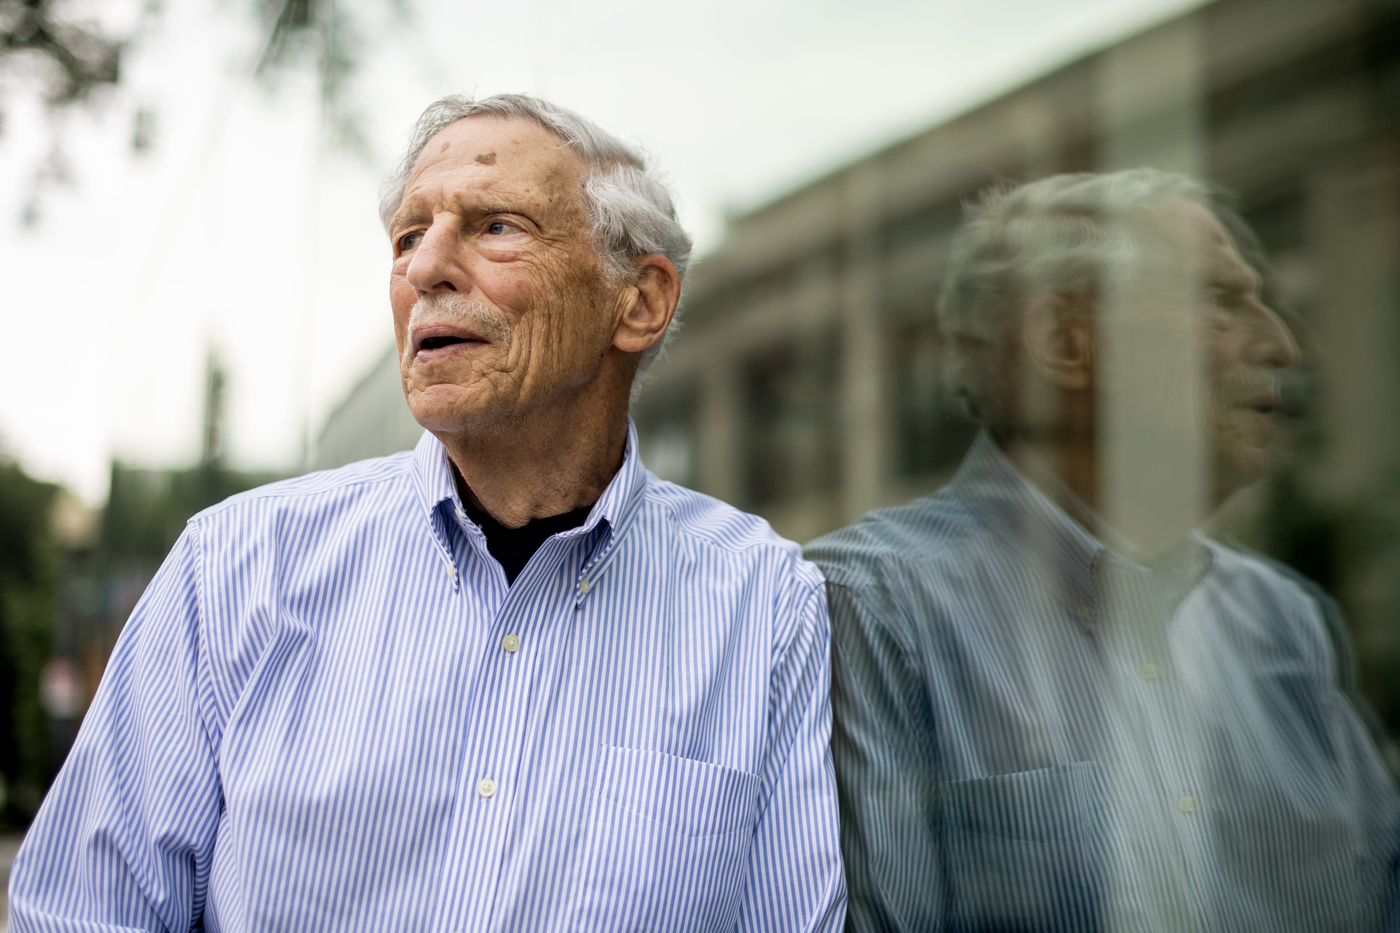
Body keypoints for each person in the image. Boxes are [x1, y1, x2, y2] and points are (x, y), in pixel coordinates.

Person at [12, 94, 845, 932]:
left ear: (637, 302)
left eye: (495, 227)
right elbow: (81, 915)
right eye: (409, 236)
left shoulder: (763, 604)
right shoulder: (232, 568)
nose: (424, 269)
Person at [805, 169, 1399, 932]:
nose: (1281, 344)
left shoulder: (1284, 623)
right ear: (1064, 342)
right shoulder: (866, 610)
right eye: (1220, 299)